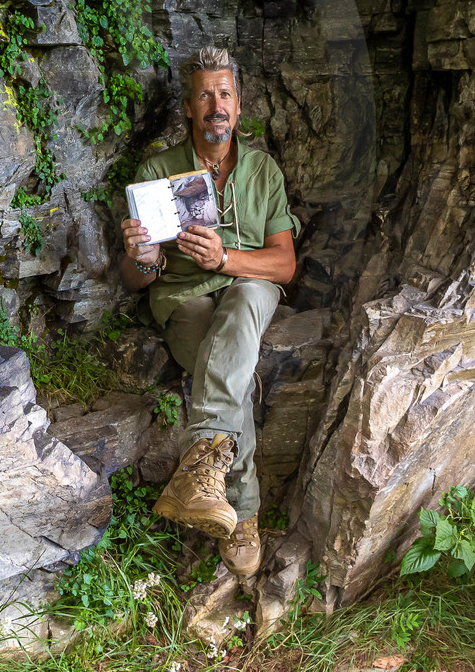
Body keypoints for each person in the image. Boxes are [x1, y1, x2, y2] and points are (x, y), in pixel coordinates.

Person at [120, 46, 298, 578]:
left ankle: (206, 479)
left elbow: (285, 264)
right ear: (188, 108)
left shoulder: (263, 170)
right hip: (184, 298)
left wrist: (227, 258)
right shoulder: (158, 171)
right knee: (231, 375)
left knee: (244, 300)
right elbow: (133, 279)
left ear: (238, 106)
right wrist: (143, 258)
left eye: (224, 94)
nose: (215, 104)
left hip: (249, 283)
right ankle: (242, 512)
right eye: (205, 95)